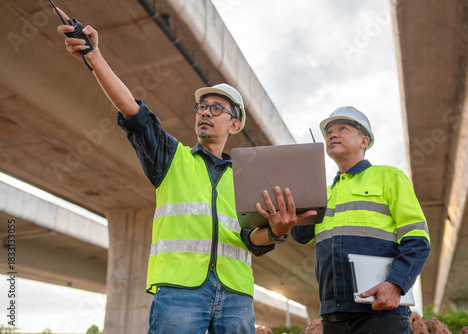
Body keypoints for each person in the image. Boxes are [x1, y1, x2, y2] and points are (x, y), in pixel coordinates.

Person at [55, 8, 314, 333]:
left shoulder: (248, 175)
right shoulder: (171, 158)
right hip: (179, 291)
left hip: (236, 294)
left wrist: (278, 231)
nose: (205, 112)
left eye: (216, 108)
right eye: (201, 107)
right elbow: (133, 112)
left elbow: (252, 240)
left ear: (234, 124)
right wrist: (94, 57)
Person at [291, 106, 431, 334]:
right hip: (333, 314)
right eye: (328, 133)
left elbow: (417, 239)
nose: (332, 135)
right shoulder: (323, 193)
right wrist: (303, 190)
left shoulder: (389, 177)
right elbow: (301, 236)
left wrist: (396, 284)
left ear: (364, 141)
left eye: (342, 128)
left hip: (380, 310)